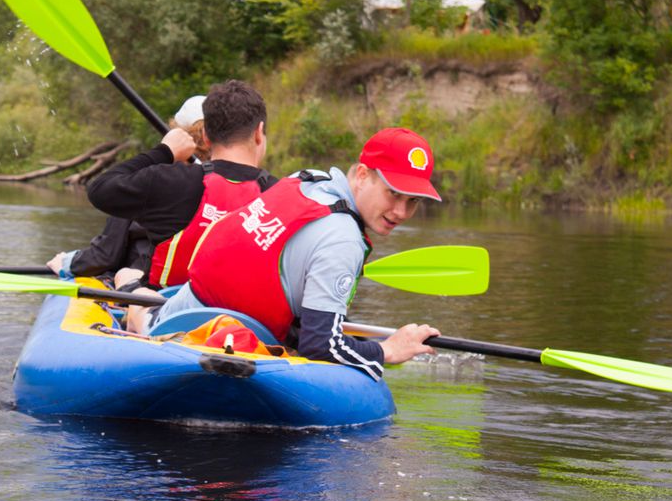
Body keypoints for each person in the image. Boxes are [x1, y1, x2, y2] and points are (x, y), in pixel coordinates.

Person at [132, 127, 443, 379]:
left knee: (136, 293)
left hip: (175, 319)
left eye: (412, 201)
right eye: (394, 193)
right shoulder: (344, 240)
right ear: (362, 175)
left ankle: (133, 299)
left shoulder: (305, 179)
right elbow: (320, 345)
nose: (401, 211)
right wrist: (386, 350)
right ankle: (132, 298)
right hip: (211, 343)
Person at [50, 80, 277, 293]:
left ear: (206, 137)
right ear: (259, 133)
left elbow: (101, 199)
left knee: (126, 275)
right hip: (239, 312)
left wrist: (163, 153)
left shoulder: (161, 181)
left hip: (164, 304)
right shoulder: (279, 195)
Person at [47, 94, 209, 282]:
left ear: (175, 136)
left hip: (144, 283)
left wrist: (66, 263)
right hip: (201, 289)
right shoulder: (232, 184)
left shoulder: (152, 180)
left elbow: (105, 255)